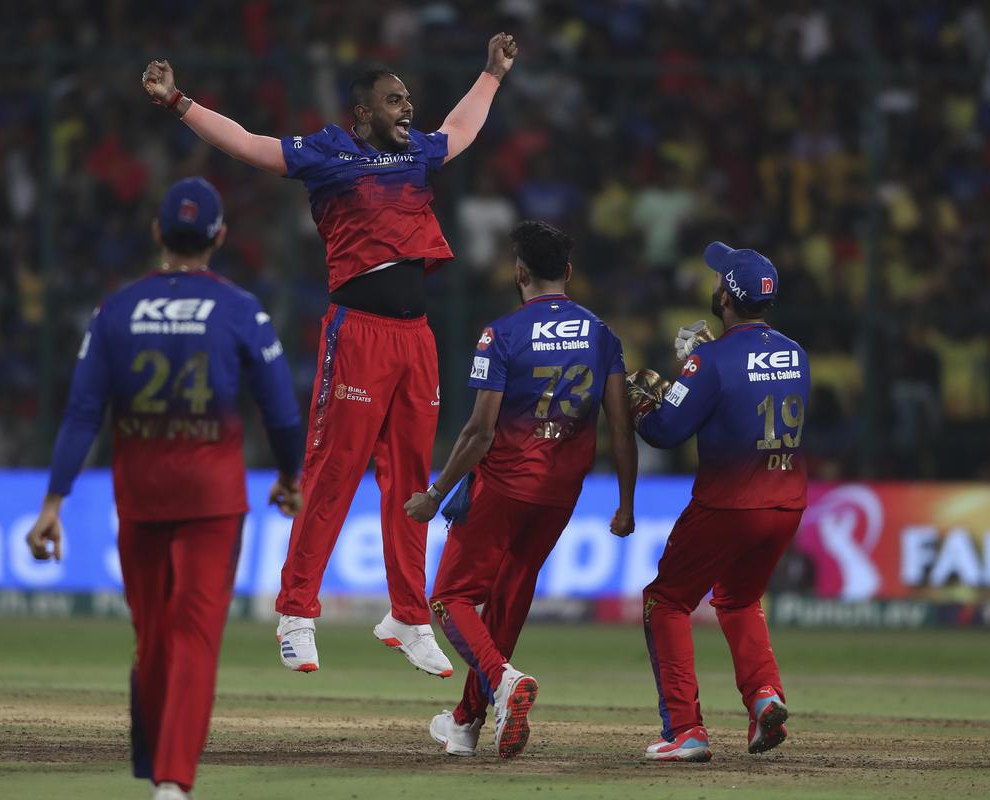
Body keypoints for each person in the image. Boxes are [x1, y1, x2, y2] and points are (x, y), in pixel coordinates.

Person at [142, 33, 519, 677]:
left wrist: (491, 75)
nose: (408, 109)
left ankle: (407, 615)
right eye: (394, 101)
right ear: (363, 113)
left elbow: (460, 129)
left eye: (408, 99)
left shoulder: (420, 153)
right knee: (334, 470)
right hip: (360, 334)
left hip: (416, 340)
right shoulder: (330, 152)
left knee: (409, 481)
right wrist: (179, 102)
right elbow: (252, 146)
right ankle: (295, 611)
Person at [25, 178, 303, 800]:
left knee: (151, 636)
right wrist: (290, 476)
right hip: (211, 501)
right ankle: (172, 783)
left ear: (157, 234)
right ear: (220, 237)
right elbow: (282, 414)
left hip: (141, 498)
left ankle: (156, 767)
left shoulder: (116, 310)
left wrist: (53, 503)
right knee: (194, 637)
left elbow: (80, 414)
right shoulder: (240, 309)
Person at [404, 221, 638, 759]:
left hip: (504, 486)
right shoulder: (602, 334)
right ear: (569, 273)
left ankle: (503, 682)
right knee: (507, 599)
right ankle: (465, 723)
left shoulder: (501, 334)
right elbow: (621, 428)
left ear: (520, 272)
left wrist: (437, 493)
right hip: (561, 494)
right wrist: (626, 503)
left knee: (450, 598)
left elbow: (480, 432)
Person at [626, 242, 809, 762]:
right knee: (738, 600)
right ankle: (764, 697)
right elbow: (746, 395)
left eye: (718, 280)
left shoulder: (710, 360)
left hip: (728, 505)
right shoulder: (796, 352)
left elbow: (664, 432)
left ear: (726, 296)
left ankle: (685, 730)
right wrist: (699, 368)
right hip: (787, 504)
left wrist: (648, 398)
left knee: (666, 601)